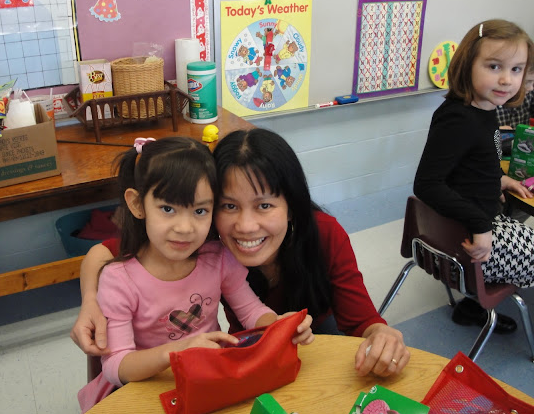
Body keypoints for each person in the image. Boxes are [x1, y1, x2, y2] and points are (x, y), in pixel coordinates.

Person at [72, 132, 410, 378]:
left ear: (291, 205)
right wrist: (90, 300)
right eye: (229, 206)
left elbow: (361, 322)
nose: (246, 226)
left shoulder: (317, 235)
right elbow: (106, 254)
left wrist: (380, 335)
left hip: (302, 339)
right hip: (195, 364)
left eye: (264, 205)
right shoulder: (203, 239)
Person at [76, 136, 312, 414]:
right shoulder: (119, 280)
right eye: (168, 209)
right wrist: (178, 352)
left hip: (207, 381)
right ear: (138, 204)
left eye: (200, 211)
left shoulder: (217, 258)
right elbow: (117, 366)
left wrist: (278, 326)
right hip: (145, 390)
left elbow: (251, 311)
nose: (185, 228)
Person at [414, 19, 534, 334]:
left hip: (475, 222)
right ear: (468, 64)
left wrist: (499, 179)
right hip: (468, 235)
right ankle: (476, 301)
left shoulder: (484, 107)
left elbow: (470, 164)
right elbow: (427, 184)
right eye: (494, 66)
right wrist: (481, 225)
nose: (507, 79)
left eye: (517, 69)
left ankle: (471, 306)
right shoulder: (459, 119)